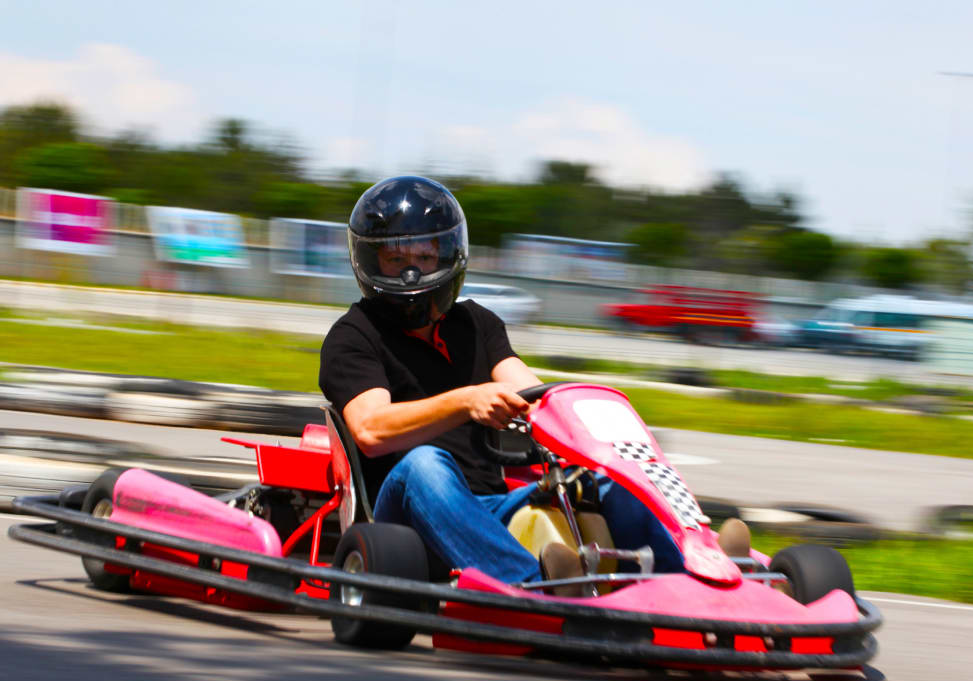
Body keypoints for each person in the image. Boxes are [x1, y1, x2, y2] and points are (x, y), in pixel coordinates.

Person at [319, 176, 746, 589]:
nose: (412, 273)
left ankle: (694, 576)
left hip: (490, 509)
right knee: (424, 465)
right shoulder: (354, 336)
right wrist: (467, 401)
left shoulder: (476, 325)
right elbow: (371, 429)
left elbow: (533, 394)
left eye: (425, 258)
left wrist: (585, 425)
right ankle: (535, 586)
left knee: (608, 483)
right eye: (397, 259)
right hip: (404, 517)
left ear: (446, 257)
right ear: (373, 261)